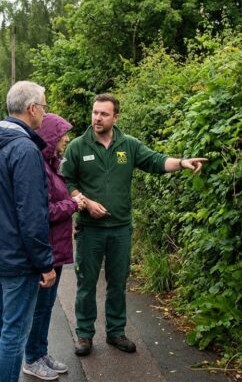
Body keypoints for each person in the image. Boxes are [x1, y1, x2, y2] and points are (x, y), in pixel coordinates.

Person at [61, 93, 207, 356]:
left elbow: (156, 161)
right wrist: (85, 201)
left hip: (120, 229)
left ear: (116, 117)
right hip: (89, 230)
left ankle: (116, 332)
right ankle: (84, 335)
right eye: (95, 112)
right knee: (86, 283)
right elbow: (67, 183)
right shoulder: (78, 147)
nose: (97, 118)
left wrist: (183, 163)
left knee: (118, 282)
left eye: (104, 114)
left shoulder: (128, 145)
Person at [0, 81, 57, 382]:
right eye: (44, 106)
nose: (45, 112)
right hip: (17, 258)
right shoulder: (24, 149)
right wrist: (45, 263)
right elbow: (32, 215)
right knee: (13, 332)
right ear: (32, 108)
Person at [22, 114, 86, 381]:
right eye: (62, 135)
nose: (67, 139)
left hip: (56, 250)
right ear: (50, 137)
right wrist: (74, 205)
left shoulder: (52, 163)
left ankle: (42, 352)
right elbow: (43, 211)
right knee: (38, 308)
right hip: (45, 251)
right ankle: (31, 359)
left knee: (46, 307)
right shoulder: (41, 168)